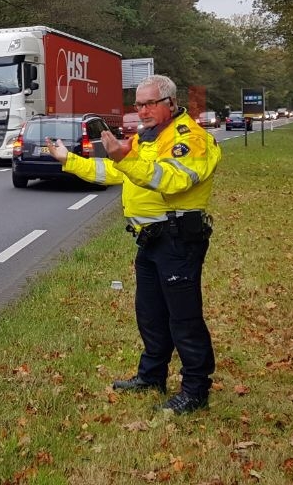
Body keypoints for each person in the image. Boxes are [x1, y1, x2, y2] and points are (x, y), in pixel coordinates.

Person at [44, 74, 221, 414]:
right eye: (138, 104)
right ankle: (152, 376)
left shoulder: (190, 139)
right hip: (150, 240)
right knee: (151, 315)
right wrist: (68, 159)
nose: (141, 111)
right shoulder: (148, 137)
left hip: (178, 240)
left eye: (149, 103)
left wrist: (125, 159)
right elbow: (116, 172)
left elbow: (175, 181)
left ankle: (196, 389)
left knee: (184, 319)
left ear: (170, 102)